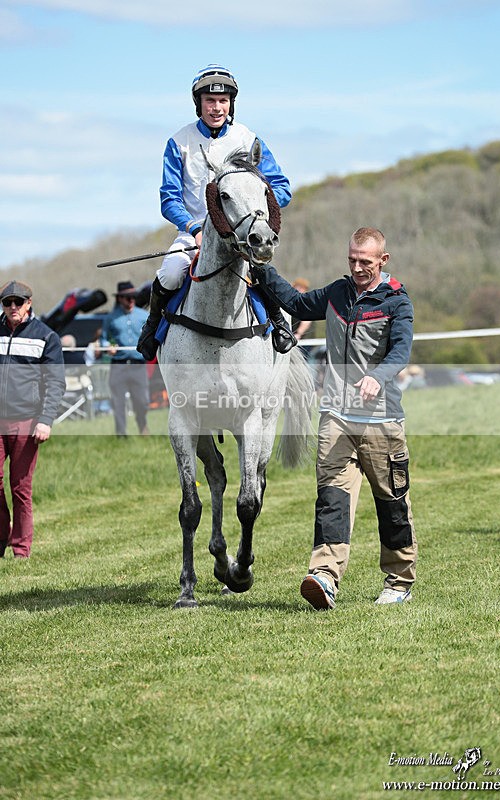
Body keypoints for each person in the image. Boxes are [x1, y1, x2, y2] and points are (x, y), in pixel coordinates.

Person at [251, 227, 418, 608]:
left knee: (391, 501)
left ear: (383, 260)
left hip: (382, 419)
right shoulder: (337, 294)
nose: (358, 267)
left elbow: (401, 352)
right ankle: (325, 576)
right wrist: (262, 267)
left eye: (366, 261)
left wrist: (377, 377)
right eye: (352, 259)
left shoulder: (396, 302)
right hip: (336, 418)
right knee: (331, 498)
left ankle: (399, 579)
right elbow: (294, 301)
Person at [137, 63, 297, 361]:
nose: (216, 107)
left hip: (241, 234)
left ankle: (278, 324)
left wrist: (258, 212)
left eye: (223, 101)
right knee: (171, 272)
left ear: (231, 103)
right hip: (195, 233)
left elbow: (281, 188)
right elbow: (169, 199)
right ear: (199, 103)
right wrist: (193, 229)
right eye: (210, 101)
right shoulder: (178, 142)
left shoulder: (248, 139)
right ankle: (151, 327)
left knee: (261, 271)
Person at [0, 280, 65, 558]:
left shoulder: (46, 337)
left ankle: (21, 550)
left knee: (20, 488)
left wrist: (46, 419)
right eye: (7, 302)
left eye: (18, 302)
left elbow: (55, 383)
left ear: (29, 303)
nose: (12, 307)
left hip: (27, 422)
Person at [101, 281, 150, 437]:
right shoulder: (111, 318)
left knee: (142, 400)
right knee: (118, 402)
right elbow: (103, 338)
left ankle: (142, 425)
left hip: (138, 365)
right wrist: (107, 345)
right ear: (120, 298)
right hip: (119, 366)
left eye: (133, 297)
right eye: (127, 297)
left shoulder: (144, 316)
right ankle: (121, 434)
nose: (131, 300)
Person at [291, 278, 315, 342]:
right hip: (294, 339)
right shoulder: (294, 303)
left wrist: (298, 334)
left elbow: (306, 321)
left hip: (305, 340)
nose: (297, 289)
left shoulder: (307, 302)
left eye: (300, 287)